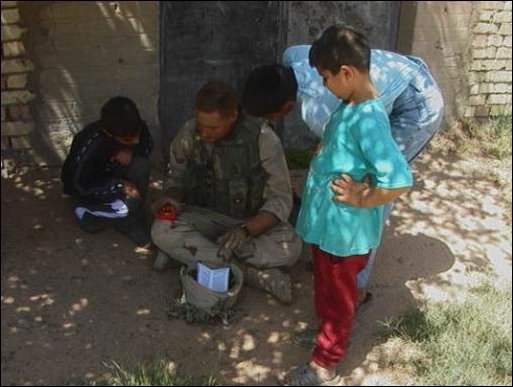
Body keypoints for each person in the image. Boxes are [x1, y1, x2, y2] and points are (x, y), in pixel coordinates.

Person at [243, 28, 444, 306]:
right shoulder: (292, 57)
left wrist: (364, 194)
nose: (271, 122)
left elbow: (379, 169)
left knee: (371, 186)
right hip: (398, 75)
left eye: (271, 117)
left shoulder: (322, 109)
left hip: (416, 103)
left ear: (286, 106)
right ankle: (333, 253)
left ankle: (355, 283)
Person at [283, 24, 413, 385]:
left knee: (339, 294)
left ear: (346, 73)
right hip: (329, 228)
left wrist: (364, 195)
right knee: (325, 285)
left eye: (325, 77)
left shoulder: (370, 119)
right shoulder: (350, 104)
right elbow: (346, 145)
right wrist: (326, 150)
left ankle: (324, 364)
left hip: (346, 232)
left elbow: (399, 179)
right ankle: (326, 331)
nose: (323, 85)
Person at [151, 80, 302, 303]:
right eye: (201, 125)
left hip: (251, 222)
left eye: (213, 127)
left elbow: (280, 200)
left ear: (232, 116)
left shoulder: (263, 139)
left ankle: (193, 255)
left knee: (291, 247)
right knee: (161, 230)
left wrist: (245, 230)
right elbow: (176, 177)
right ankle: (253, 274)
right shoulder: (189, 133)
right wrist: (171, 199)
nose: (205, 133)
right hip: (206, 217)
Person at [61, 96, 153, 248]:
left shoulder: (136, 128)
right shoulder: (90, 144)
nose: (136, 141)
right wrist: (119, 186)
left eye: (136, 136)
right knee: (122, 204)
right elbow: (79, 185)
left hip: (113, 175)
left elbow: (147, 145)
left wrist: (132, 150)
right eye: (128, 140)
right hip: (89, 185)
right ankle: (86, 209)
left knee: (140, 165)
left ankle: (131, 222)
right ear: (108, 134)